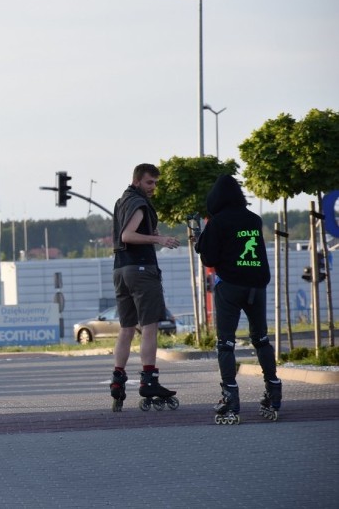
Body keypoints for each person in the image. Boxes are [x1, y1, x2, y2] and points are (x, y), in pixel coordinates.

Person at [195, 174, 282, 422]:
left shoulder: (217, 222)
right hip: (257, 285)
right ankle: (273, 391)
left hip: (231, 286)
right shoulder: (254, 219)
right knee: (261, 339)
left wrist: (201, 242)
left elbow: (210, 259)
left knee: (226, 343)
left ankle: (230, 399)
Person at [109, 164, 180, 411]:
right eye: (150, 182)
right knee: (150, 327)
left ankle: (118, 381)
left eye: (156, 183)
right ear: (137, 180)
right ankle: (149, 380)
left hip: (120, 270)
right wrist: (159, 239)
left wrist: (152, 231)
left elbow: (127, 234)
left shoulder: (122, 201)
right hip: (140, 269)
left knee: (126, 328)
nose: (153, 188)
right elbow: (128, 236)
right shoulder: (138, 203)